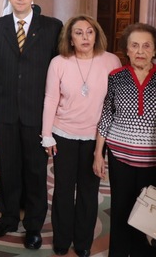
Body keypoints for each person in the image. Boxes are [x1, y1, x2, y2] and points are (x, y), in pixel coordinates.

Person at [0, 0, 62, 249]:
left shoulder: (52, 27)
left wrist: (55, 114)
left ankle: (34, 226)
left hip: (37, 114)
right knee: (8, 168)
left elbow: (57, 72)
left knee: (36, 171)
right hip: (4, 112)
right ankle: (8, 217)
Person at [41, 15, 121, 256]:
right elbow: (51, 99)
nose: (85, 37)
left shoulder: (111, 61)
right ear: (70, 38)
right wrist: (47, 135)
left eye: (89, 32)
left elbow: (115, 103)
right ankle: (62, 239)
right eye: (79, 33)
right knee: (63, 189)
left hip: (95, 138)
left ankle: (83, 242)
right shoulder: (59, 62)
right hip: (63, 133)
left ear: (97, 35)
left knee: (88, 190)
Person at [93, 22, 156, 257]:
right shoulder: (116, 77)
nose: (140, 51)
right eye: (135, 46)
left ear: (154, 50)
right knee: (120, 210)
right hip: (120, 158)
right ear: (127, 50)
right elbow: (107, 114)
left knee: (148, 214)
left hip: (152, 161)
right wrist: (98, 153)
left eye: (146, 46)